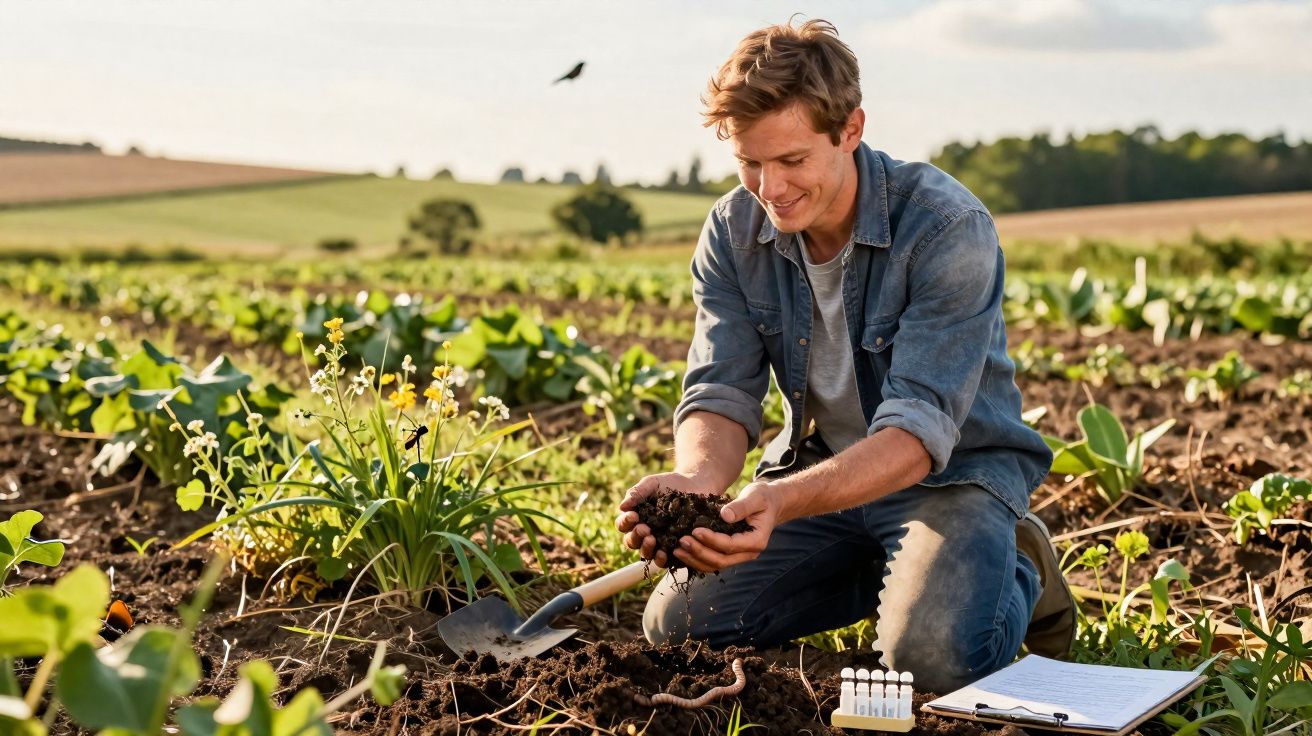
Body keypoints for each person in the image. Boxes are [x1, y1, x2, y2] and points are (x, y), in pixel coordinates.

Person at [613, 18, 1076, 693]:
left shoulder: (946, 227)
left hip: (950, 479)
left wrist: (781, 502)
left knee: (933, 662)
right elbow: (720, 389)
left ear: (850, 130)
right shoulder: (733, 231)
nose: (769, 188)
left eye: (792, 160)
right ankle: (898, 569)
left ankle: (1016, 568)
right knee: (678, 628)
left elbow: (918, 433)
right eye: (750, 161)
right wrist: (699, 482)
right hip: (821, 472)